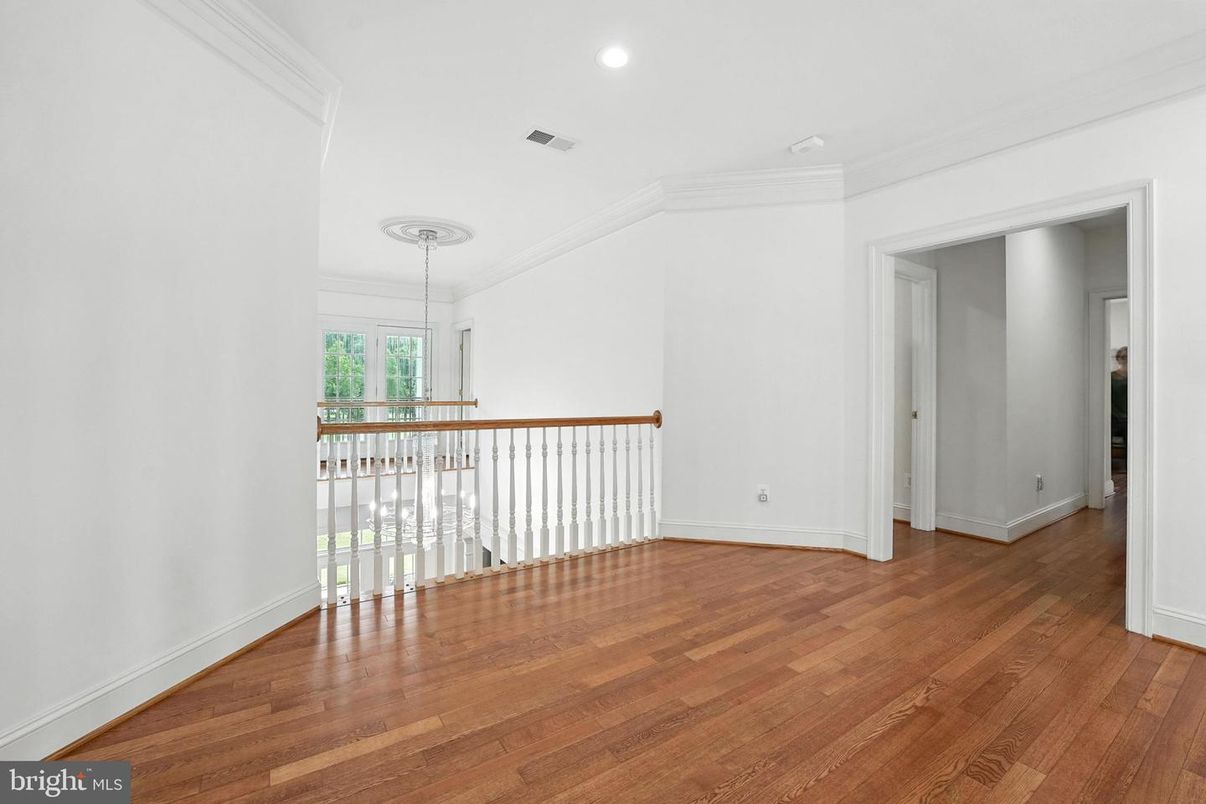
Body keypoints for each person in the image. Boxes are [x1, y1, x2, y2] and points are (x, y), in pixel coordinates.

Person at [1111, 347, 1127, 457]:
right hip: (1114, 417)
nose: (1125, 360)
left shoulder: (1135, 377)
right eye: (1123, 357)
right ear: (1118, 359)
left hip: (1129, 419)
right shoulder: (1111, 377)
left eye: (1127, 357)